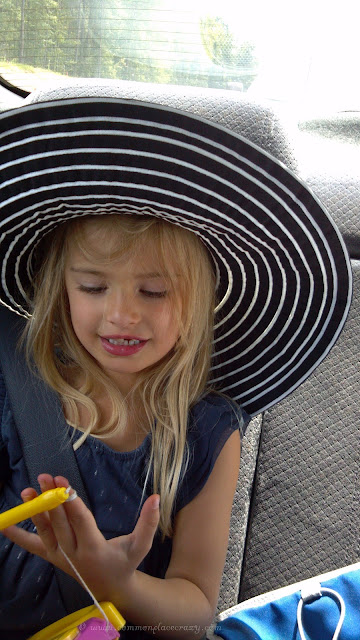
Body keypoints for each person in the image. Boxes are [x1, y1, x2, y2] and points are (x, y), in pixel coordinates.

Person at [0, 96, 351, 639]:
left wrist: (118, 582)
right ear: (60, 288)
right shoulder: (16, 381)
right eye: (93, 287)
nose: (121, 314)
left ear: (199, 303)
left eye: (155, 291)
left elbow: (191, 614)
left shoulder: (207, 433)